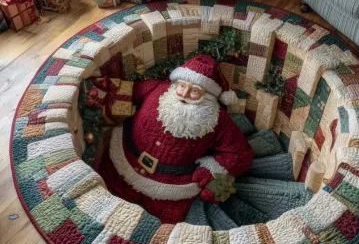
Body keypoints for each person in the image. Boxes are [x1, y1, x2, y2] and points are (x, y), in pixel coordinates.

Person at [99, 54, 253, 224]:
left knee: (159, 226)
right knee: (103, 199)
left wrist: (211, 169)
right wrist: (99, 94)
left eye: (194, 91)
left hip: (170, 189)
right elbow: (128, 91)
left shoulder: (218, 119)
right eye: (182, 86)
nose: (184, 94)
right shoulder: (156, 88)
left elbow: (240, 153)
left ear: (208, 95)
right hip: (124, 161)